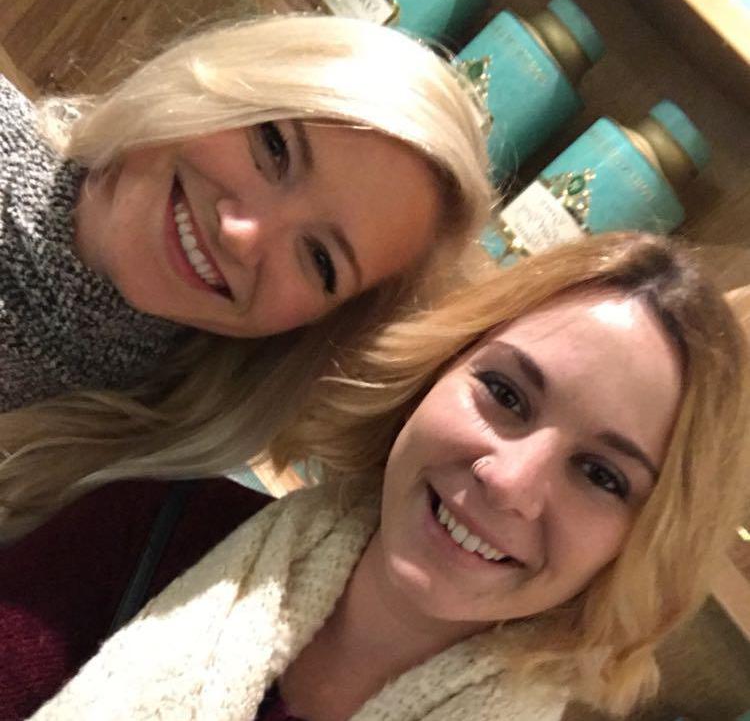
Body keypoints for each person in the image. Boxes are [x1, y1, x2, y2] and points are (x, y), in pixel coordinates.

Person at [25, 232, 750, 720]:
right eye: (505, 394)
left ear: (644, 544)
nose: (508, 481)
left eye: (600, 474)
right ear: (434, 372)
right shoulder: (145, 526)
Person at [0, 13, 492, 539]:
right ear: (219, 85)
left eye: (320, 260)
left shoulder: (147, 496)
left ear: (317, 326)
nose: (242, 233)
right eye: (274, 147)